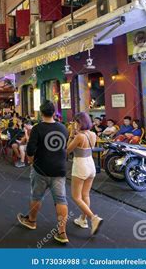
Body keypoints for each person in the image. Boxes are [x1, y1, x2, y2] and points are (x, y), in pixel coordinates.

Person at [17, 100, 70, 244]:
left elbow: (30, 150)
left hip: (41, 169)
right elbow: (64, 147)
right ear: (54, 112)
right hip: (59, 169)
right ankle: (62, 232)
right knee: (61, 200)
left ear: (41, 113)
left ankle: (32, 221)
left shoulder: (37, 128)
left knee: (36, 196)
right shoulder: (63, 128)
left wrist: (33, 162)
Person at [67, 112, 103, 235]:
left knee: (76, 197)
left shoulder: (79, 136)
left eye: (75, 122)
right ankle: (83, 220)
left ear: (79, 122)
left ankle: (93, 218)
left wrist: (71, 135)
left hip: (80, 165)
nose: (74, 125)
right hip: (91, 165)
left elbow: (67, 151)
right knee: (85, 195)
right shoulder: (92, 134)